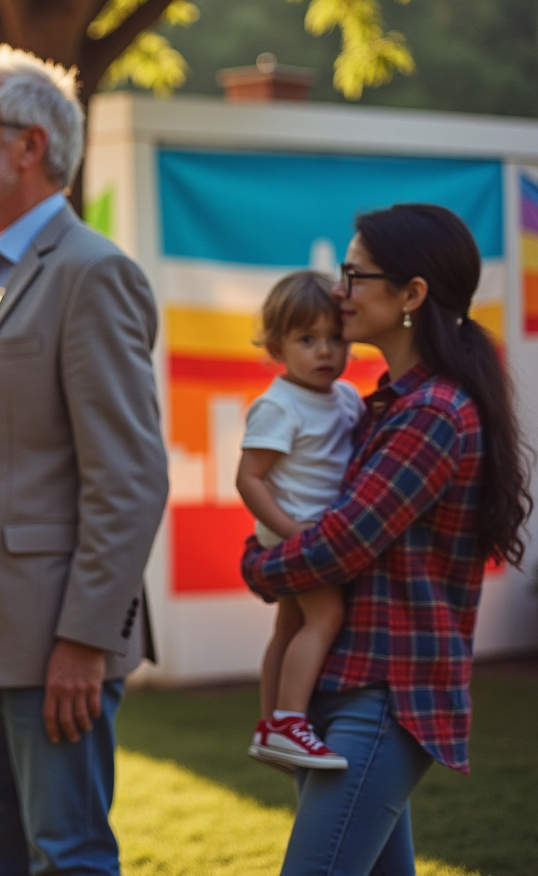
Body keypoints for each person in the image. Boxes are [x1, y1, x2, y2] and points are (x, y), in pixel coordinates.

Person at [0, 44, 167, 876]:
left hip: (54, 645)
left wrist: (83, 643)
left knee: (67, 858)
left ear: (30, 144)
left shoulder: (94, 275)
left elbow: (128, 479)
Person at [242, 204, 532, 876]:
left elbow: (339, 547)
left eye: (354, 275)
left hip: (384, 696)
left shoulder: (431, 413)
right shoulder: (390, 402)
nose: (338, 291)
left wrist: (257, 565)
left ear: (412, 295)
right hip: (350, 687)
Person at [236, 272, 360, 771]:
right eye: (307, 340)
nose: (325, 352)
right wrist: (294, 533)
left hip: (317, 534)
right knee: (327, 616)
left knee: (291, 623)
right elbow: (249, 479)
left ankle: (269, 726)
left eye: (336, 338)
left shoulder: (347, 397)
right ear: (276, 345)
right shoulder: (277, 405)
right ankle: (290, 721)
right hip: (299, 536)